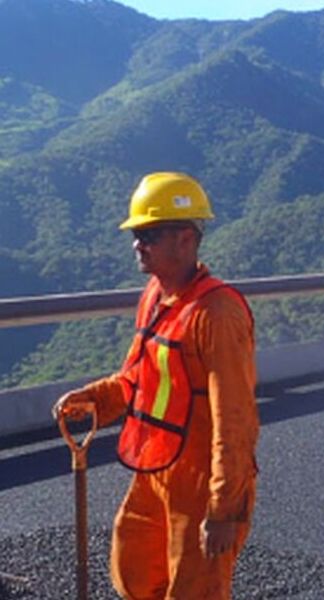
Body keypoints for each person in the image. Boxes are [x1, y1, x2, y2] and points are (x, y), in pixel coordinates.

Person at [52, 172, 258, 600]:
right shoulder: (155, 295)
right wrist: (95, 400)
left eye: (148, 234)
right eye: (136, 233)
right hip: (157, 466)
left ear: (185, 239)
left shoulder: (217, 314)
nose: (136, 244)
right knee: (135, 575)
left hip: (200, 480)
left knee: (195, 590)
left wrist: (222, 509)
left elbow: (234, 419)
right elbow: (139, 379)